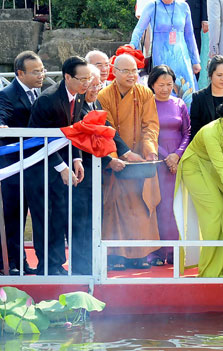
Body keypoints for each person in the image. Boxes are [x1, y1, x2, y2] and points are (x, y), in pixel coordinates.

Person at [174, 93, 223, 277]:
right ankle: (209, 271)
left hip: (213, 169)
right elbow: (221, 166)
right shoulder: (211, 132)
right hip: (194, 167)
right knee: (215, 211)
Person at [26, 56, 90, 276]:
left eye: (88, 79)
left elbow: (75, 130)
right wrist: (61, 167)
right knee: (46, 218)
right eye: (82, 79)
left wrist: (76, 159)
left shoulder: (79, 96)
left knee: (60, 216)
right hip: (40, 168)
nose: (86, 84)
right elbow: (37, 141)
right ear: (67, 77)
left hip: (63, 163)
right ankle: (47, 267)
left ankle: (57, 264)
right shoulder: (48, 100)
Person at [97, 54, 161, 270]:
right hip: (118, 160)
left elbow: (150, 125)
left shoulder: (145, 93)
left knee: (141, 207)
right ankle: (116, 256)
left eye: (135, 71)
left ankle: (140, 254)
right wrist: (118, 157)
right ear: (115, 71)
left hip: (141, 160)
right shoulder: (104, 96)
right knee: (116, 206)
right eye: (126, 71)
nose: (132, 75)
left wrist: (150, 150)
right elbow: (108, 131)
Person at [72, 65, 131, 275]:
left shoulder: (93, 102)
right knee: (81, 221)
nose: (96, 88)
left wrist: (126, 152)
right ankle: (81, 267)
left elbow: (107, 128)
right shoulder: (76, 106)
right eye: (93, 84)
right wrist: (109, 161)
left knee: (92, 220)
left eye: (98, 84)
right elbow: (82, 139)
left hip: (95, 175)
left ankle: (90, 262)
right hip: (81, 173)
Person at [0, 51, 44, 275]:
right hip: (12, 167)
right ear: (20, 73)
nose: (41, 75)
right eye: (35, 72)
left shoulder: (40, 92)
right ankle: (10, 264)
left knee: (30, 213)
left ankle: (26, 262)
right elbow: (2, 116)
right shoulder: (7, 94)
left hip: (35, 165)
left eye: (42, 70)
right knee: (12, 216)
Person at [146, 65, 191, 266]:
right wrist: (165, 157)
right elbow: (145, 132)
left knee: (175, 206)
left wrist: (177, 155)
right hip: (155, 159)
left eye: (169, 84)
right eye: (161, 84)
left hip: (177, 161)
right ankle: (155, 252)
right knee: (157, 205)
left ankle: (174, 251)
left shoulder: (179, 103)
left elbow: (187, 132)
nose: (165, 88)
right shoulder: (147, 104)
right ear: (152, 84)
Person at [129, 0, 201, 97]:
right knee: (164, 87)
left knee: (186, 91)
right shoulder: (151, 6)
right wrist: (131, 46)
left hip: (182, 58)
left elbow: (189, 35)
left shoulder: (184, 6)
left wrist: (195, 60)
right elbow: (139, 29)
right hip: (161, 57)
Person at [190, 55, 223, 140]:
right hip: (206, 144)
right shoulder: (199, 98)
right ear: (210, 75)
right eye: (219, 75)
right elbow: (195, 129)